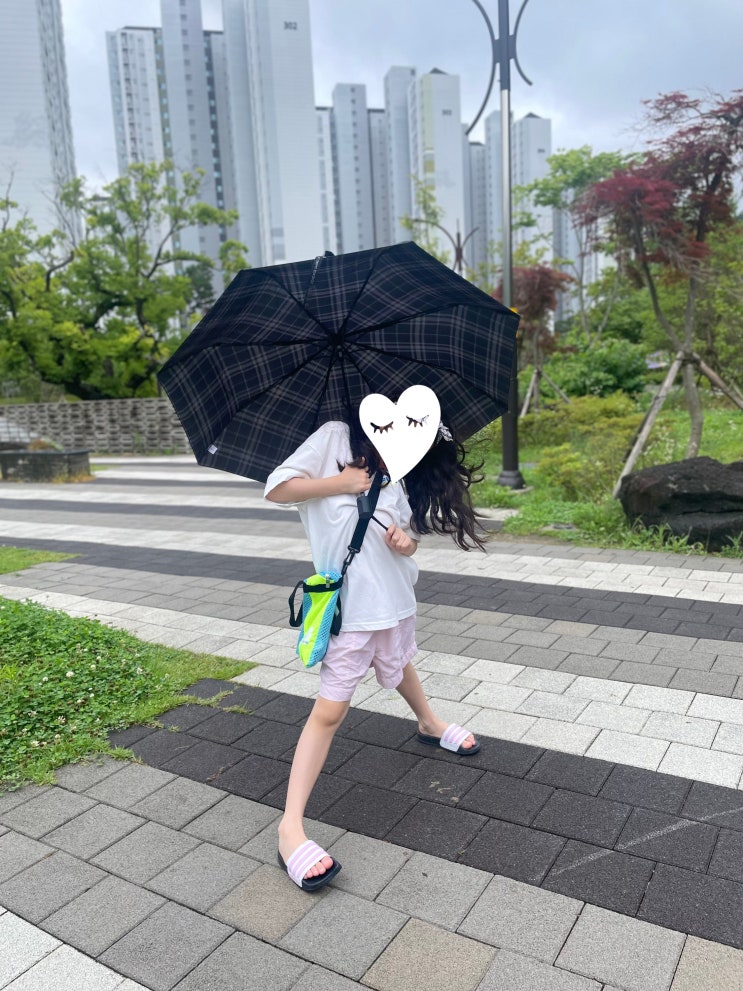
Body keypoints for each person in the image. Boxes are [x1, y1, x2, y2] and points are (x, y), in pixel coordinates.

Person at [264, 410, 486, 892]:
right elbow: (277, 488)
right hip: (351, 614)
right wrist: (340, 482)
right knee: (329, 713)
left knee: (399, 661)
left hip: (394, 601)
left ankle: (429, 723)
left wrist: (406, 543)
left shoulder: (400, 466)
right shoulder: (333, 438)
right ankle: (290, 829)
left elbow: (408, 537)